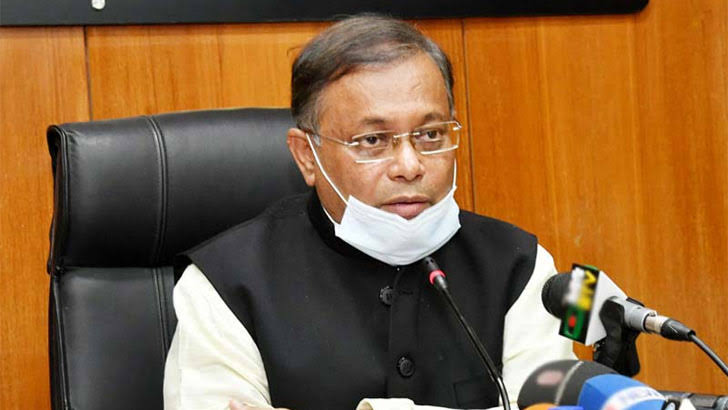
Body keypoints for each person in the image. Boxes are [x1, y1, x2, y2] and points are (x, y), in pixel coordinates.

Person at [163, 14, 574, 410]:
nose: (409, 166)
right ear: (307, 155)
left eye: (430, 134)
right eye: (372, 140)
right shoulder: (224, 286)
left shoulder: (522, 267)